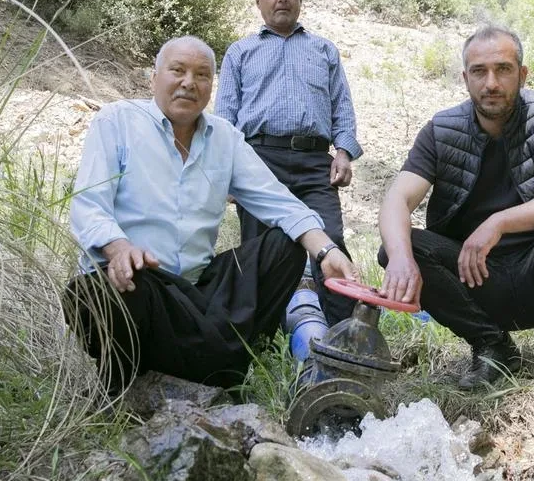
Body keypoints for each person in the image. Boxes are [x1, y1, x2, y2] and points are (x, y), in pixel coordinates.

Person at [67, 36, 359, 393]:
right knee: (101, 291)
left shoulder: (226, 137)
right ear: (153, 77)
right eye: (178, 71)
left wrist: (326, 251)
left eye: (202, 75)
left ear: (211, 86)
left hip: (199, 291)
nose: (189, 82)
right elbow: (88, 204)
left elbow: (279, 202)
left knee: (288, 246)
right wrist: (118, 248)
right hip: (141, 286)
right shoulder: (116, 121)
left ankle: (222, 363)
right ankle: (136, 382)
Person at [376, 26, 534, 389]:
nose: (491, 82)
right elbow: (397, 198)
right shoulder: (441, 130)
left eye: (503, 69)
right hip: (474, 279)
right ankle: (491, 345)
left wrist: (500, 222)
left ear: (522, 74)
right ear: (465, 78)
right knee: (397, 246)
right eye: (479, 71)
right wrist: (400, 258)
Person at [216, 0, 362, 326]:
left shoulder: (324, 50)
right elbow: (224, 119)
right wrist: (228, 173)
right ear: (258, 1)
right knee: (260, 249)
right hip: (257, 161)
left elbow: (341, 105)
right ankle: (261, 334)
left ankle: (344, 332)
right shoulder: (240, 52)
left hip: (316, 164)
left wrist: (343, 151)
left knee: (331, 239)